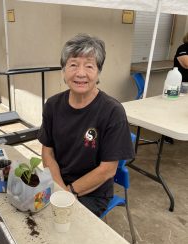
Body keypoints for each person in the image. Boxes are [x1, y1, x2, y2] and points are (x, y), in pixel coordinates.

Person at [38, 34, 134, 217]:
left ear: (98, 73)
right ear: (64, 71)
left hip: (93, 192)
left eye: (89, 66)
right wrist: (59, 188)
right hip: (57, 182)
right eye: (73, 65)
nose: (80, 73)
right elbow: (47, 151)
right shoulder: (52, 105)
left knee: (62, 228)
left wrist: (70, 192)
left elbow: (108, 169)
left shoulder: (112, 111)